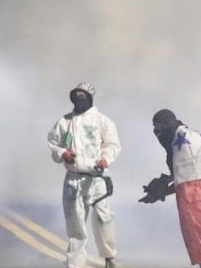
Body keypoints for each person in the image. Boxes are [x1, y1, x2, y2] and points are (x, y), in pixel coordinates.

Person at [47, 82, 122, 268]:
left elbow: (112, 144)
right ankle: (75, 263)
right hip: (74, 178)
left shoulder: (102, 120)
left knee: (103, 218)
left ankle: (109, 257)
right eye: (76, 96)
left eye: (83, 96)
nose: (79, 100)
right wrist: (63, 153)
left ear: (89, 98)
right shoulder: (65, 122)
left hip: (97, 178)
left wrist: (106, 159)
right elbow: (54, 143)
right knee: (75, 223)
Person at [149, 109, 201, 268]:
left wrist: (163, 191)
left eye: (159, 127)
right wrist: (163, 187)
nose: (157, 133)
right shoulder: (189, 136)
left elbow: (186, 181)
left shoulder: (180, 143)